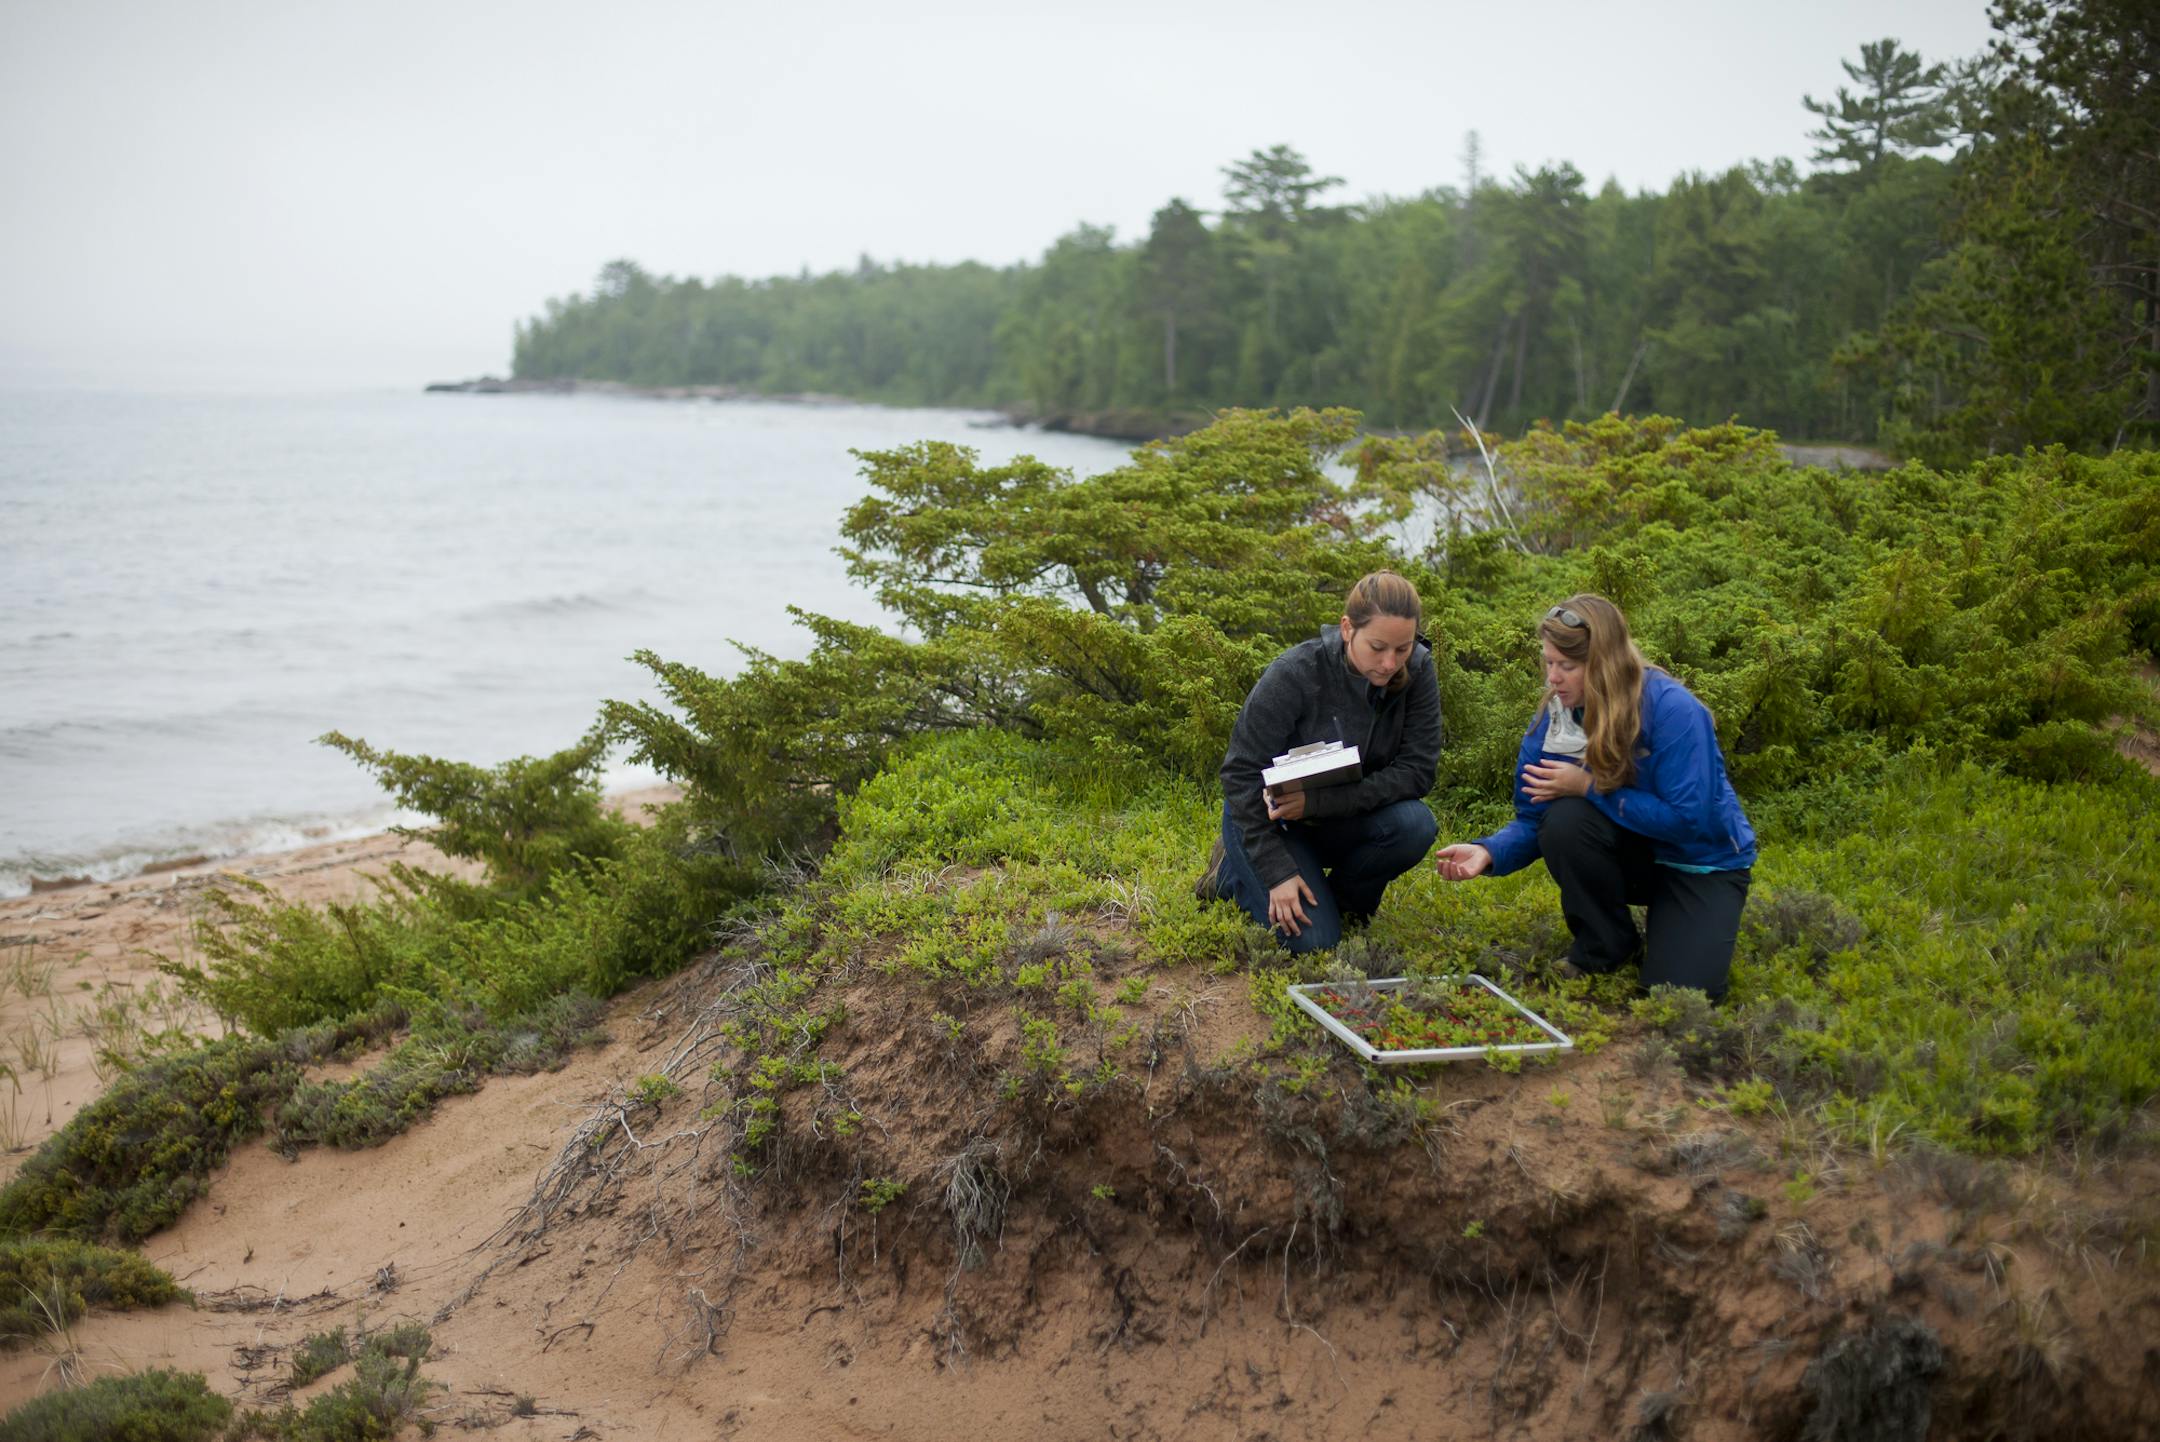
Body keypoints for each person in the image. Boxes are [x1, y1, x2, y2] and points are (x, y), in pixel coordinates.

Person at [1433, 594, 1754, 998]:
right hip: (1634, 854)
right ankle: (1606, 946)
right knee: (1565, 820)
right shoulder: (1553, 723)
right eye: (1549, 662)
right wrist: (1490, 852)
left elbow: (1687, 819)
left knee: (1681, 995)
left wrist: (1589, 787)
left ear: (1605, 664)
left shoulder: (1674, 710)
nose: (1553, 678)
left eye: (1567, 666)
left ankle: (1680, 925)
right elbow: (1536, 819)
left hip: (1700, 862)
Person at [1200, 571, 1441, 952]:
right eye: (1377, 647)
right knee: (1315, 943)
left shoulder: (1419, 671)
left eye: (1403, 648)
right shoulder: (1295, 672)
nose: (1390, 662)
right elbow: (1239, 773)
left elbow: (1417, 771)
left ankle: (1341, 904)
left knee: (1415, 825)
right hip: (1271, 823)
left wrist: (1318, 803)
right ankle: (1231, 873)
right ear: (1347, 628)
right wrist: (1277, 872)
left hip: (1338, 818)